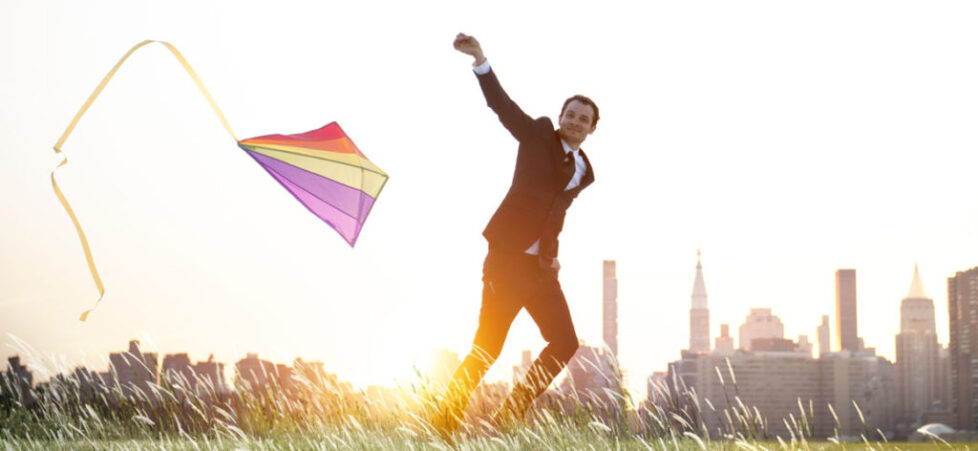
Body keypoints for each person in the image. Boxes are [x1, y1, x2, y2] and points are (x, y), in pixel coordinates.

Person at [435, 33, 599, 435]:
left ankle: (510, 413)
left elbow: (554, 211)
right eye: (571, 114)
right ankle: (443, 422)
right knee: (487, 347)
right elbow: (502, 107)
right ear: (561, 117)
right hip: (506, 260)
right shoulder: (538, 135)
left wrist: (551, 250)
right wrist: (480, 61)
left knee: (564, 343)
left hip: (541, 269)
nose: (575, 121)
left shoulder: (585, 171)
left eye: (584, 118)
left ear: (592, 129)